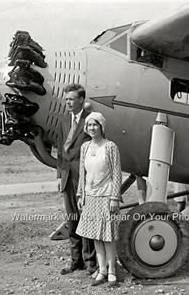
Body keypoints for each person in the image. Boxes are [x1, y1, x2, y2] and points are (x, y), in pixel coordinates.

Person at [75, 112, 122, 287]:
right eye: (89, 125)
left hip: (106, 196)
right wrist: (81, 195)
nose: (92, 128)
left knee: (107, 237)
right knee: (96, 237)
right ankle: (101, 270)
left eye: (95, 125)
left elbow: (117, 173)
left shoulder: (110, 147)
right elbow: (82, 173)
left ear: (102, 127)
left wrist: (114, 198)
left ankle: (111, 272)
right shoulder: (85, 147)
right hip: (90, 196)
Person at [57, 83, 96, 275]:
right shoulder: (64, 121)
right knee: (72, 220)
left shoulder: (91, 121)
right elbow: (60, 150)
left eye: (71, 99)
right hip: (67, 177)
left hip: (85, 178)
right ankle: (76, 261)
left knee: (86, 219)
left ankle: (91, 263)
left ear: (81, 100)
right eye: (66, 100)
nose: (68, 103)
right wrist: (59, 175)